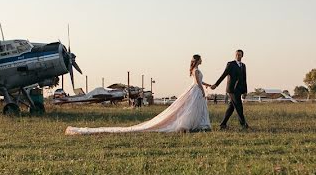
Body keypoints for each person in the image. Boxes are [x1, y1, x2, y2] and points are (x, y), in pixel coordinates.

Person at [65, 55, 211, 134]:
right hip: (196, 91)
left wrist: (207, 85)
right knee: (192, 109)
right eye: (201, 59)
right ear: (198, 60)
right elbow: (198, 82)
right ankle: (196, 124)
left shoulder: (194, 71)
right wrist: (204, 91)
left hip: (194, 90)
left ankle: (198, 124)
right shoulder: (196, 71)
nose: (202, 60)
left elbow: (199, 81)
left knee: (192, 109)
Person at [208, 49, 249, 130]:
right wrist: (216, 84)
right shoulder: (230, 64)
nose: (238, 56)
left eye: (239, 55)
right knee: (239, 106)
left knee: (231, 108)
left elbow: (244, 79)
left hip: (239, 89)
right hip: (232, 90)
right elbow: (223, 75)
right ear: (235, 55)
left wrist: (245, 91)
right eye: (236, 54)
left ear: (242, 56)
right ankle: (244, 125)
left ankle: (223, 124)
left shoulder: (243, 66)